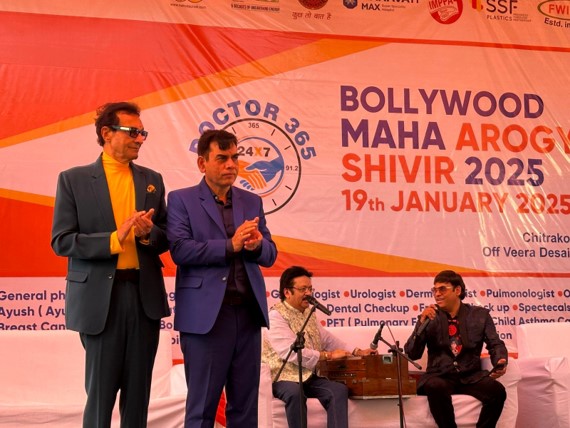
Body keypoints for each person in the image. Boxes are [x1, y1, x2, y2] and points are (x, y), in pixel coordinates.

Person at [51, 102, 170, 427]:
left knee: (138, 398)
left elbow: (166, 238)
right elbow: (62, 241)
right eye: (132, 132)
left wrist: (147, 235)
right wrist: (115, 239)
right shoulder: (73, 180)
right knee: (100, 398)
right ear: (106, 133)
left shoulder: (152, 180)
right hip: (101, 302)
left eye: (143, 133)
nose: (140, 139)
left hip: (144, 299)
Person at [166, 129, 278, 427]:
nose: (231, 165)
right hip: (206, 319)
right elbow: (180, 250)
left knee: (245, 409)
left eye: (234, 157)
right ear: (202, 163)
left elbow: (270, 254)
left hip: (248, 316)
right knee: (202, 409)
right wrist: (231, 246)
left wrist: (256, 246)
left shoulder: (251, 201)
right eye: (222, 158)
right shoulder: (181, 200)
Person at [262, 266, 376, 428]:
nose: (308, 293)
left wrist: (357, 351)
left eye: (310, 288)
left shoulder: (308, 313)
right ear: (287, 292)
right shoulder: (276, 316)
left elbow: (327, 339)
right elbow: (290, 352)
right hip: (282, 377)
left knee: (338, 390)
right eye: (303, 289)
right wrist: (327, 356)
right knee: (295, 393)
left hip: (307, 376)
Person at [404, 270, 508, 428]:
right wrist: (421, 323)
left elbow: (495, 343)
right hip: (440, 375)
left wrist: (500, 360)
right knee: (434, 386)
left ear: (457, 290)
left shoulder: (480, 315)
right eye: (434, 290)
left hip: (470, 376)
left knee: (497, 392)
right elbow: (412, 353)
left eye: (442, 289)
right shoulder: (430, 317)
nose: (437, 294)